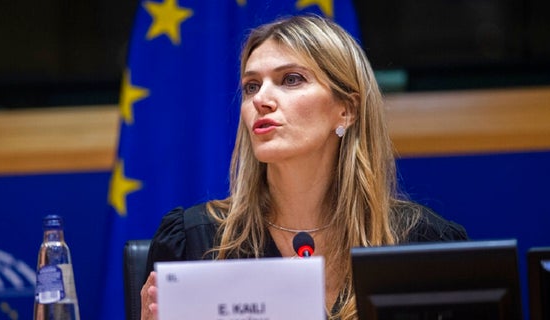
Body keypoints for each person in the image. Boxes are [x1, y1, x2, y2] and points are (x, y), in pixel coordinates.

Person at [139, 14, 468, 320]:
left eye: (291, 79)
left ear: (346, 110)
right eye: (252, 86)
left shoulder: (422, 246)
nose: (261, 100)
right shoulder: (195, 242)